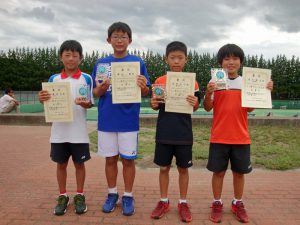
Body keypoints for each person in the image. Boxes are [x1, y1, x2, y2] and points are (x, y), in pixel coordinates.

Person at [203, 44, 273, 223]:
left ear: (240, 62)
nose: (231, 62)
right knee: (218, 173)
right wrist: (208, 93)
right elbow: (207, 107)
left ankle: (237, 202)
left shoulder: (246, 82)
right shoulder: (215, 81)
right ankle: (217, 202)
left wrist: (264, 91)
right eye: (227, 59)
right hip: (219, 136)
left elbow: (250, 108)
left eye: (235, 58)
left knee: (239, 173)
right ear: (221, 62)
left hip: (241, 137)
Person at [91, 22, 150, 216]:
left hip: (128, 120)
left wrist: (143, 86)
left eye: (123, 37)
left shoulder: (137, 62)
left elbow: (146, 91)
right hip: (107, 119)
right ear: (109, 40)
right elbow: (96, 92)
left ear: (130, 40)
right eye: (115, 36)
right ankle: (111, 194)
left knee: (128, 161)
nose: (119, 40)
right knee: (110, 159)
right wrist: (100, 88)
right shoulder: (101, 64)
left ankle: (128, 195)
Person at [38, 40, 94, 216]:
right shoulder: (53, 79)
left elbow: (90, 102)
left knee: (79, 164)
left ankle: (79, 194)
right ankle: (62, 195)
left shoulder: (86, 78)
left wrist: (86, 104)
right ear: (61, 57)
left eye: (75, 55)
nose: (71, 59)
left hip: (79, 132)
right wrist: (43, 98)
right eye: (67, 55)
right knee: (61, 164)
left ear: (81, 58)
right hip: (59, 133)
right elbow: (47, 102)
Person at [150, 41, 200, 223]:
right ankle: (163, 201)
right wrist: (153, 104)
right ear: (167, 59)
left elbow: (195, 107)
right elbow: (155, 105)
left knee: (183, 169)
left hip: (184, 133)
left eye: (180, 57)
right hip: (164, 131)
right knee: (163, 168)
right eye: (173, 57)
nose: (176, 61)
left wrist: (195, 104)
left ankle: (183, 202)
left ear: (186, 59)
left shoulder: (192, 82)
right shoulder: (159, 81)